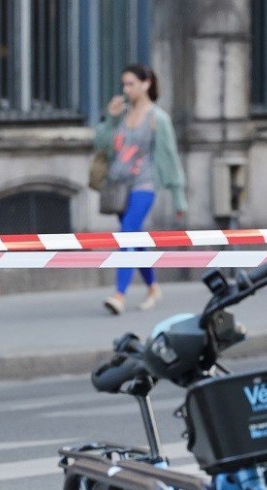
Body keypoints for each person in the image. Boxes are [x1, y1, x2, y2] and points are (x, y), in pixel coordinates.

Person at [94, 63, 187, 315]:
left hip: (144, 184)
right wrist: (110, 119)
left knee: (126, 234)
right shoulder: (121, 114)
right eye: (123, 84)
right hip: (119, 186)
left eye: (131, 84)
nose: (126, 89)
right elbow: (101, 144)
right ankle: (153, 286)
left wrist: (178, 197)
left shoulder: (158, 118)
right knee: (135, 238)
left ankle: (119, 294)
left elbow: (169, 156)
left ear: (146, 84)